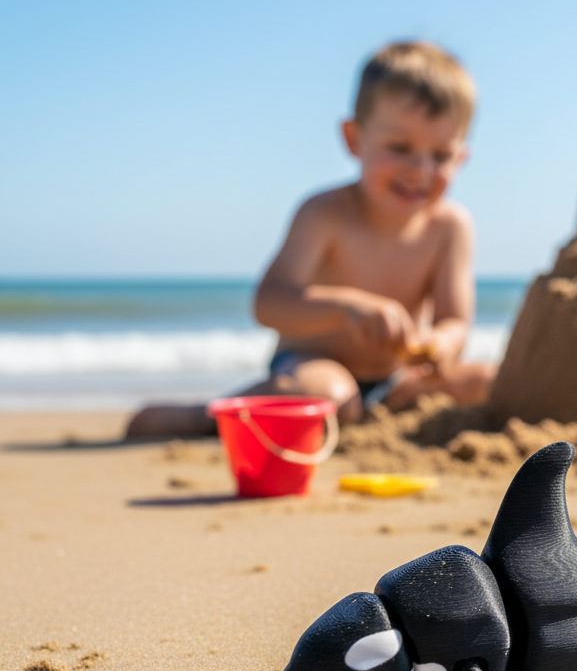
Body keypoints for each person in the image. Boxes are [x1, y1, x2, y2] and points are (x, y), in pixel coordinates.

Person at [126, 41, 496, 438]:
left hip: (397, 380)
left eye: (440, 155)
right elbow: (269, 303)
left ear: (461, 159)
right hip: (311, 366)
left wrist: (439, 344)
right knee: (329, 397)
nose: (420, 169)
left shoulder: (451, 227)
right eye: (400, 147)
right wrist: (346, 308)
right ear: (354, 139)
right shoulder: (325, 213)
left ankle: (364, 414)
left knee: (490, 384)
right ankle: (208, 417)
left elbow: (455, 320)